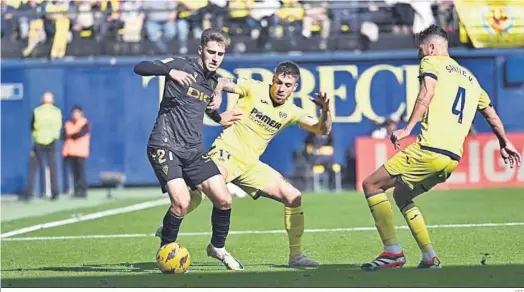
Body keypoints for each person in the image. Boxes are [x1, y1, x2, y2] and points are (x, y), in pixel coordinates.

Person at [360, 25, 521, 271]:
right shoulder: (470, 78)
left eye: (421, 49)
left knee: (371, 184)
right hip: (452, 159)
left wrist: (407, 128)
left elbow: (428, 91)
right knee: (402, 195)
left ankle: (392, 252)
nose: (419, 54)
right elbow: (490, 114)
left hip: (429, 148)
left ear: (433, 48)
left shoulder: (431, 63)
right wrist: (504, 142)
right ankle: (429, 257)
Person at [161, 61, 332, 267]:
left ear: (295, 87)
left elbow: (322, 130)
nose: (281, 88)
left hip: (250, 165)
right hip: (226, 153)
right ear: (273, 80)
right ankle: (171, 226)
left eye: (288, 85)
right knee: (202, 192)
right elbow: (223, 81)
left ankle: (296, 257)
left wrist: (326, 111)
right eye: (279, 82)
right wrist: (218, 94)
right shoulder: (254, 87)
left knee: (293, 196)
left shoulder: (292, 111)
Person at [133, 28, 244, 271]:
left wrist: (218, 117)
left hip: (193, 150)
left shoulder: (212, 81)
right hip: (165, 144)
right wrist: (168, 70)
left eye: (220, 54)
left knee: (224, 199)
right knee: (182, 203)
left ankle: (217, 247)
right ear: (200, 51)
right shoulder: (180, 64)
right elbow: (140, 67)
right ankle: (166, 253)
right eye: (211, 52)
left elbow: (202, 105)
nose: (215, 57)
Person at [22, 91, 62, 201]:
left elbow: (32, 125)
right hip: (52, 141)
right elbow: (58, 126)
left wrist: (35, 136)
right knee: (53, 167)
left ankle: (29, 193)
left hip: (39, 141)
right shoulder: (57, 111)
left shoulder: (37, 111)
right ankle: (55, 192)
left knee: (33, 168)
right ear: (52, 100)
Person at [62, 105, 91, 198]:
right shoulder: (68, 124)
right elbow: (63, 135)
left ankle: (82, 191)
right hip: (70, 152)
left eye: (77, 113)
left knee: (80, 173)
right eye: (74, 113)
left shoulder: (85, 123)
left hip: (80, 152)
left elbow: (79, 134)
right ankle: (76, 191)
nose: (75, 115)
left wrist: (70, 135)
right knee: (74, 174)